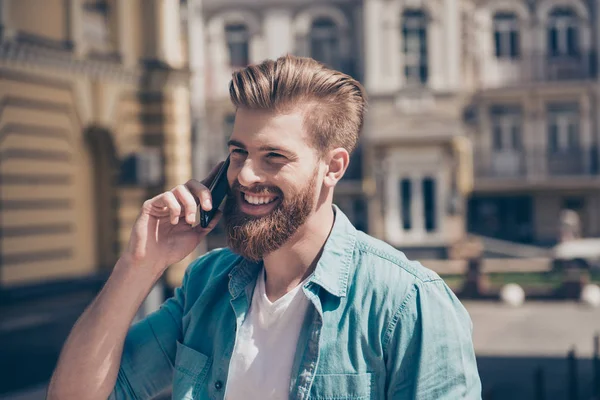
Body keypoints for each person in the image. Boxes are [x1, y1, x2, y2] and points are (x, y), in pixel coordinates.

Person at [48, 55, 481, 399]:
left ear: (333, 167)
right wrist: (139, 264)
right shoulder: (208, 284)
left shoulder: (409, 304)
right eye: (239, 153)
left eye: (273, 156)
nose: (246, 176)